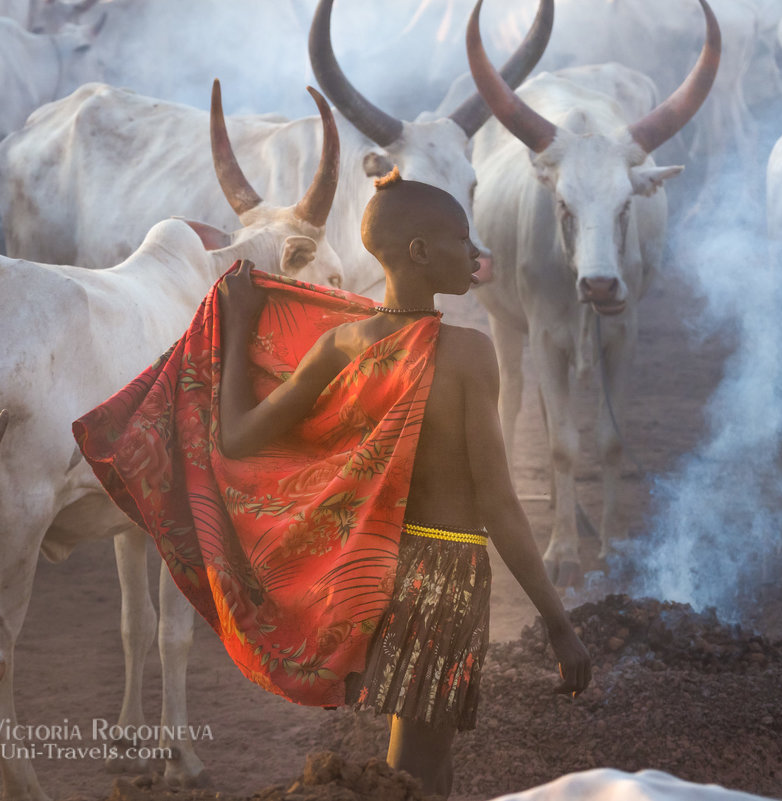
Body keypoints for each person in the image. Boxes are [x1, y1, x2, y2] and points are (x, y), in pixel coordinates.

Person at [215, 168, 591, 798]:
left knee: (431, 762)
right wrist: (557, 622)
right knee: (413, 770)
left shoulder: (341, 344)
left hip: (375, 568)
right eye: (463, 240)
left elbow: (236, 437)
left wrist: (238, 327)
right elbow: (499, 505)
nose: (476, 255)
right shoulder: (469, 353)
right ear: (419, 252)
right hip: (443, 577)